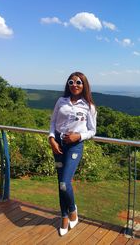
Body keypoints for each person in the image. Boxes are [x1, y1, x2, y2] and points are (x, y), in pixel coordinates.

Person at [49, 71, 97, 236]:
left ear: (84, 85)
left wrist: (79, 136)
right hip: (58, 145)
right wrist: (51, 139)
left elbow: (92, 131)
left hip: (75, 147)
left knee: (64, 182)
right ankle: (63, 217)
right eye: (71, 82)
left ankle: (72, 210)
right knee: (60, 183)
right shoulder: (61, 101)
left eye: (78, 82)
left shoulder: (88, 106)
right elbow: (53, 122)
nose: (74, 85)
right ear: (67, 85)